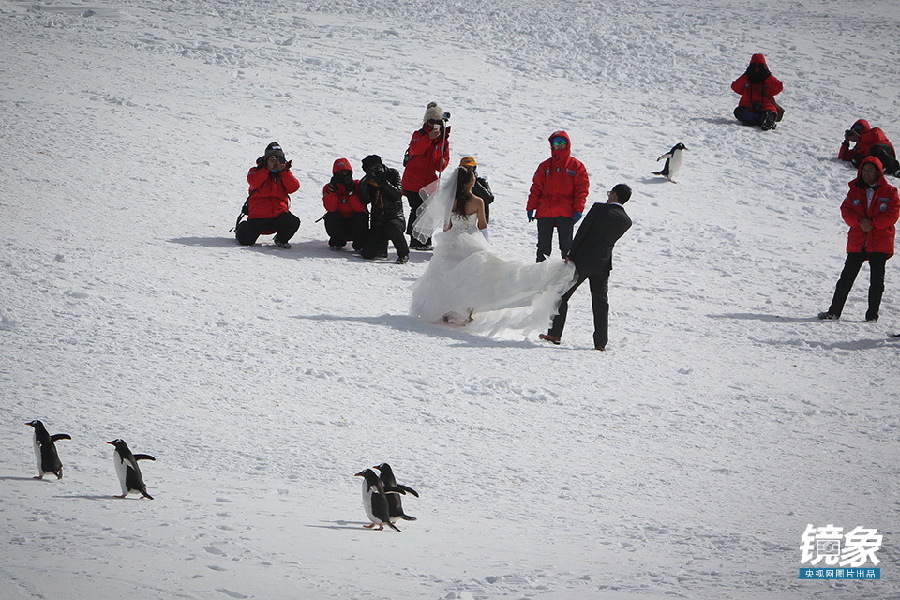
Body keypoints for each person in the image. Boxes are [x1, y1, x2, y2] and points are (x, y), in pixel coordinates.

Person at [410, 167, 575, 335]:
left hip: (451, 243)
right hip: (471, 242)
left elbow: (447, 227)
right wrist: (486, 244)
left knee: (446, 276)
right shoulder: (477, 201)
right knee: (471, 279)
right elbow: (482, 225)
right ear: (469, 183)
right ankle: (465, 312)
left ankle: (445, 310)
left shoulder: (450, 201)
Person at [540, 184, 633, 351]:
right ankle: (600, 342)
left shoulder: (599, 209)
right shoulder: (626, 221)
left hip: (582, 260)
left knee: (562, 294)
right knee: (600, 302)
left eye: (610, 193)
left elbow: (583, 231)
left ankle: (555, 333)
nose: (608, 196)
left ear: (614, 195)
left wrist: (570, 253)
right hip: (603, 264)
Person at [818, 157, 899, 322]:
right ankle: (834, 311)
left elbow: (893, 213)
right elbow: (846, 210)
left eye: (870, 169)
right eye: (864, 169)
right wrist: (859, 222)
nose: (866, 173)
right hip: (858, 241)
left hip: (880, 241)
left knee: (877, 282)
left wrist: (873, 224)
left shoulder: (890, 192)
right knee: (846, 278)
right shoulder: (854, 189)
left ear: (878, 171)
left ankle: (872, 315)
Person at [526, 131, 590, 262]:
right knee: (543, 248)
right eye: (556, 143)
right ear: (552, 145)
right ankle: (540, 275)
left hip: (566, 212)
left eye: (562, 142)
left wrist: (578, 209)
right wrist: (531, 207)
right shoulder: (545, 166)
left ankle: (567, 277)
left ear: (567, 144)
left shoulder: (576, 166)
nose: (559, 145)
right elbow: (536, 187)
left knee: (567, 247)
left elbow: (581, 190)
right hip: (545, 211)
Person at [401, 102, 451, 251]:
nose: (434, 125)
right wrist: (429, 138)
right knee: (418, 208)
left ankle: (423, 240)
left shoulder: (442, 140)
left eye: (437, 121)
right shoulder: (419, 135)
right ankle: (417, 240)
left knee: (427, 210)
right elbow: (415, 149)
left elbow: (440, 166)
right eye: (431, 121)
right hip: (413, 181)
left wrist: (443, 159)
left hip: (429, 183)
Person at [236, 142, 301, 248]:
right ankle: (241, 229)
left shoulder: (284, 174)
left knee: (293, 222)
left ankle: (281, 239)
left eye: (278, 159)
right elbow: (253, 182)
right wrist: (266, 169)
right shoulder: (256, 171)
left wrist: (284, 171)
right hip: (258, 217)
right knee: (245, 240)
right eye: (272, 158)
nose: (275, 162)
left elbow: (294, 187)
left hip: (279, 214)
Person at [358, 155, 410, 264]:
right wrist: (365, 184)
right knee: (368, 254)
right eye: (372, 169)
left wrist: (384, 183)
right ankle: (381, 247)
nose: (377, 171)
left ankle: (403, 253)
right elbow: (364, 200)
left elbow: (397, 195)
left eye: (378, 167)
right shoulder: (368, 181)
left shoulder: (392, 174)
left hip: (395, 217)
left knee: (392, 226)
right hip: (378, 220)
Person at [322, 157, 368, 251]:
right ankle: (337, 241)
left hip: (354, 223)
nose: (343, 177)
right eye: (340, 174)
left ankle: (359, 243)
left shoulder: (357, 185)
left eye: (346, 173)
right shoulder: (328, 188)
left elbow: (359, 208)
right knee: (331, 216)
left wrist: (351, 192)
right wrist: (332, 190)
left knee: (361, 216)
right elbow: (331, 208)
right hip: (339, 224)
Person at [731, 53, 783, 131]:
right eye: (754, 68)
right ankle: (764, 121)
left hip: (765, 107)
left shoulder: (768, 81)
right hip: (748, 108)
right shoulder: (747, 80)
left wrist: (768, 76)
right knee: (739, 111)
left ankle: (764, 119)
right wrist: (746, 75)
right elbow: (735, 87)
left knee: (769, 112)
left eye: (760, 68)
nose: (757, 70)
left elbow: (778, 88)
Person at [459, 156, 495, 223]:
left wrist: (473, 183)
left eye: (470, 168)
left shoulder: (481, 182)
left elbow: (489, 199)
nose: (467, 171)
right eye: (465, 168)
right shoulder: (455, 184)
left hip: (478, 223)